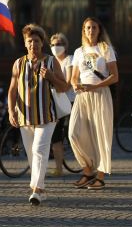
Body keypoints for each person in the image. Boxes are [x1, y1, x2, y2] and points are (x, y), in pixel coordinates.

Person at [7, 23, 68, 205]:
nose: (33, 44)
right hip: (24, 116)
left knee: (39, 150)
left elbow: (64, 87)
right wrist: (11, 111)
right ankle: (39, 188)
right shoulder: (18, 63)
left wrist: (51, 77)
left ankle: (37, 189)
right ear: (25, 44)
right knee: (31, 154)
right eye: (29, 41)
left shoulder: (51, 61)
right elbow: (12, 90)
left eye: (36, 40)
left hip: (46, 116)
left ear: (42, 43)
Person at [69, 17, 119, 191]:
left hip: (100, 94)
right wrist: (75, 84)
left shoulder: (106, 49)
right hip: (82, 96)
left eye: (94, 28)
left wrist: (95, 86)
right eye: (88, 28)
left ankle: (100, 176)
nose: (91, 31)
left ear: (99, 30)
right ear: (84, 30)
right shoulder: (78, 52)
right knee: (74, 133)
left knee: (101, 135)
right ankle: (87, 169)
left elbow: (114, 76)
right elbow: (74, 76)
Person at [48, 32, 75, 178]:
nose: (55, 47)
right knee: (56, 135)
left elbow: (69, 83)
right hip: (56, 101)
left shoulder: (69, 59)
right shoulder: (51, 61)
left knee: (74, 134)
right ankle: (59, 168)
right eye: (52, 45)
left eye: (58, 44)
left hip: (70, 101)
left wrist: (56, 83)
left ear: (65, 46)